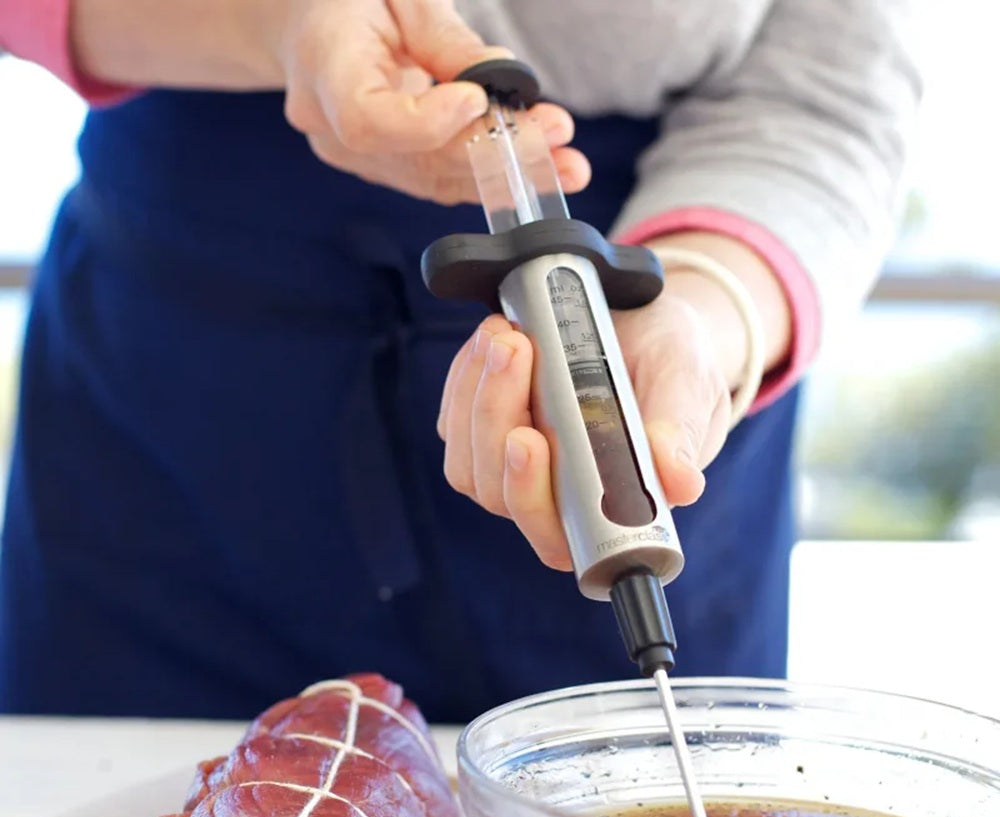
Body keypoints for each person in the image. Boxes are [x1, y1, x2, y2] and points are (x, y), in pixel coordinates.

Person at [0, 1, 921, 724]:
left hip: (661, 316)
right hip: (181, 422)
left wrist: (705, 306)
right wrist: (275, 22)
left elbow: (827, 84)